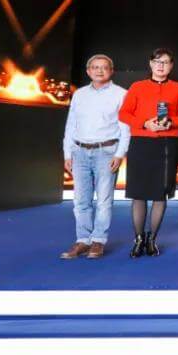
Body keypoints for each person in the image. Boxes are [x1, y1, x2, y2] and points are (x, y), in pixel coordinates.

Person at [118, 48, 178, 258]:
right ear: (150, 64)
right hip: (141, 142)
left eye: (165, 62)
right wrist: (145, 123)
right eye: (157, 61)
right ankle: (138, 238)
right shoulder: (137, 87)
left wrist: (170, 122)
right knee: (138, 193)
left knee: (160, 193)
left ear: (171, 66)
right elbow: (124, 113)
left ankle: (152, 238)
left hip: (167, 144)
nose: (161, 66)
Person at [60, 54, 130, 260]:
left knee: (104, 201)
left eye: (104, 67)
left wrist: (120, 154)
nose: (100, 71)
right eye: (95, 67)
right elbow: (71, 125)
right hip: (79, 151)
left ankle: (98, 240)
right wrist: (67, 153)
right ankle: (83, 240)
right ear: (88, 71)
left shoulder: (121, 94)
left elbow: (125, 128)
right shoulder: (79, 94)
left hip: (106, 152)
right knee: (81, 200)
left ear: (111, 71)